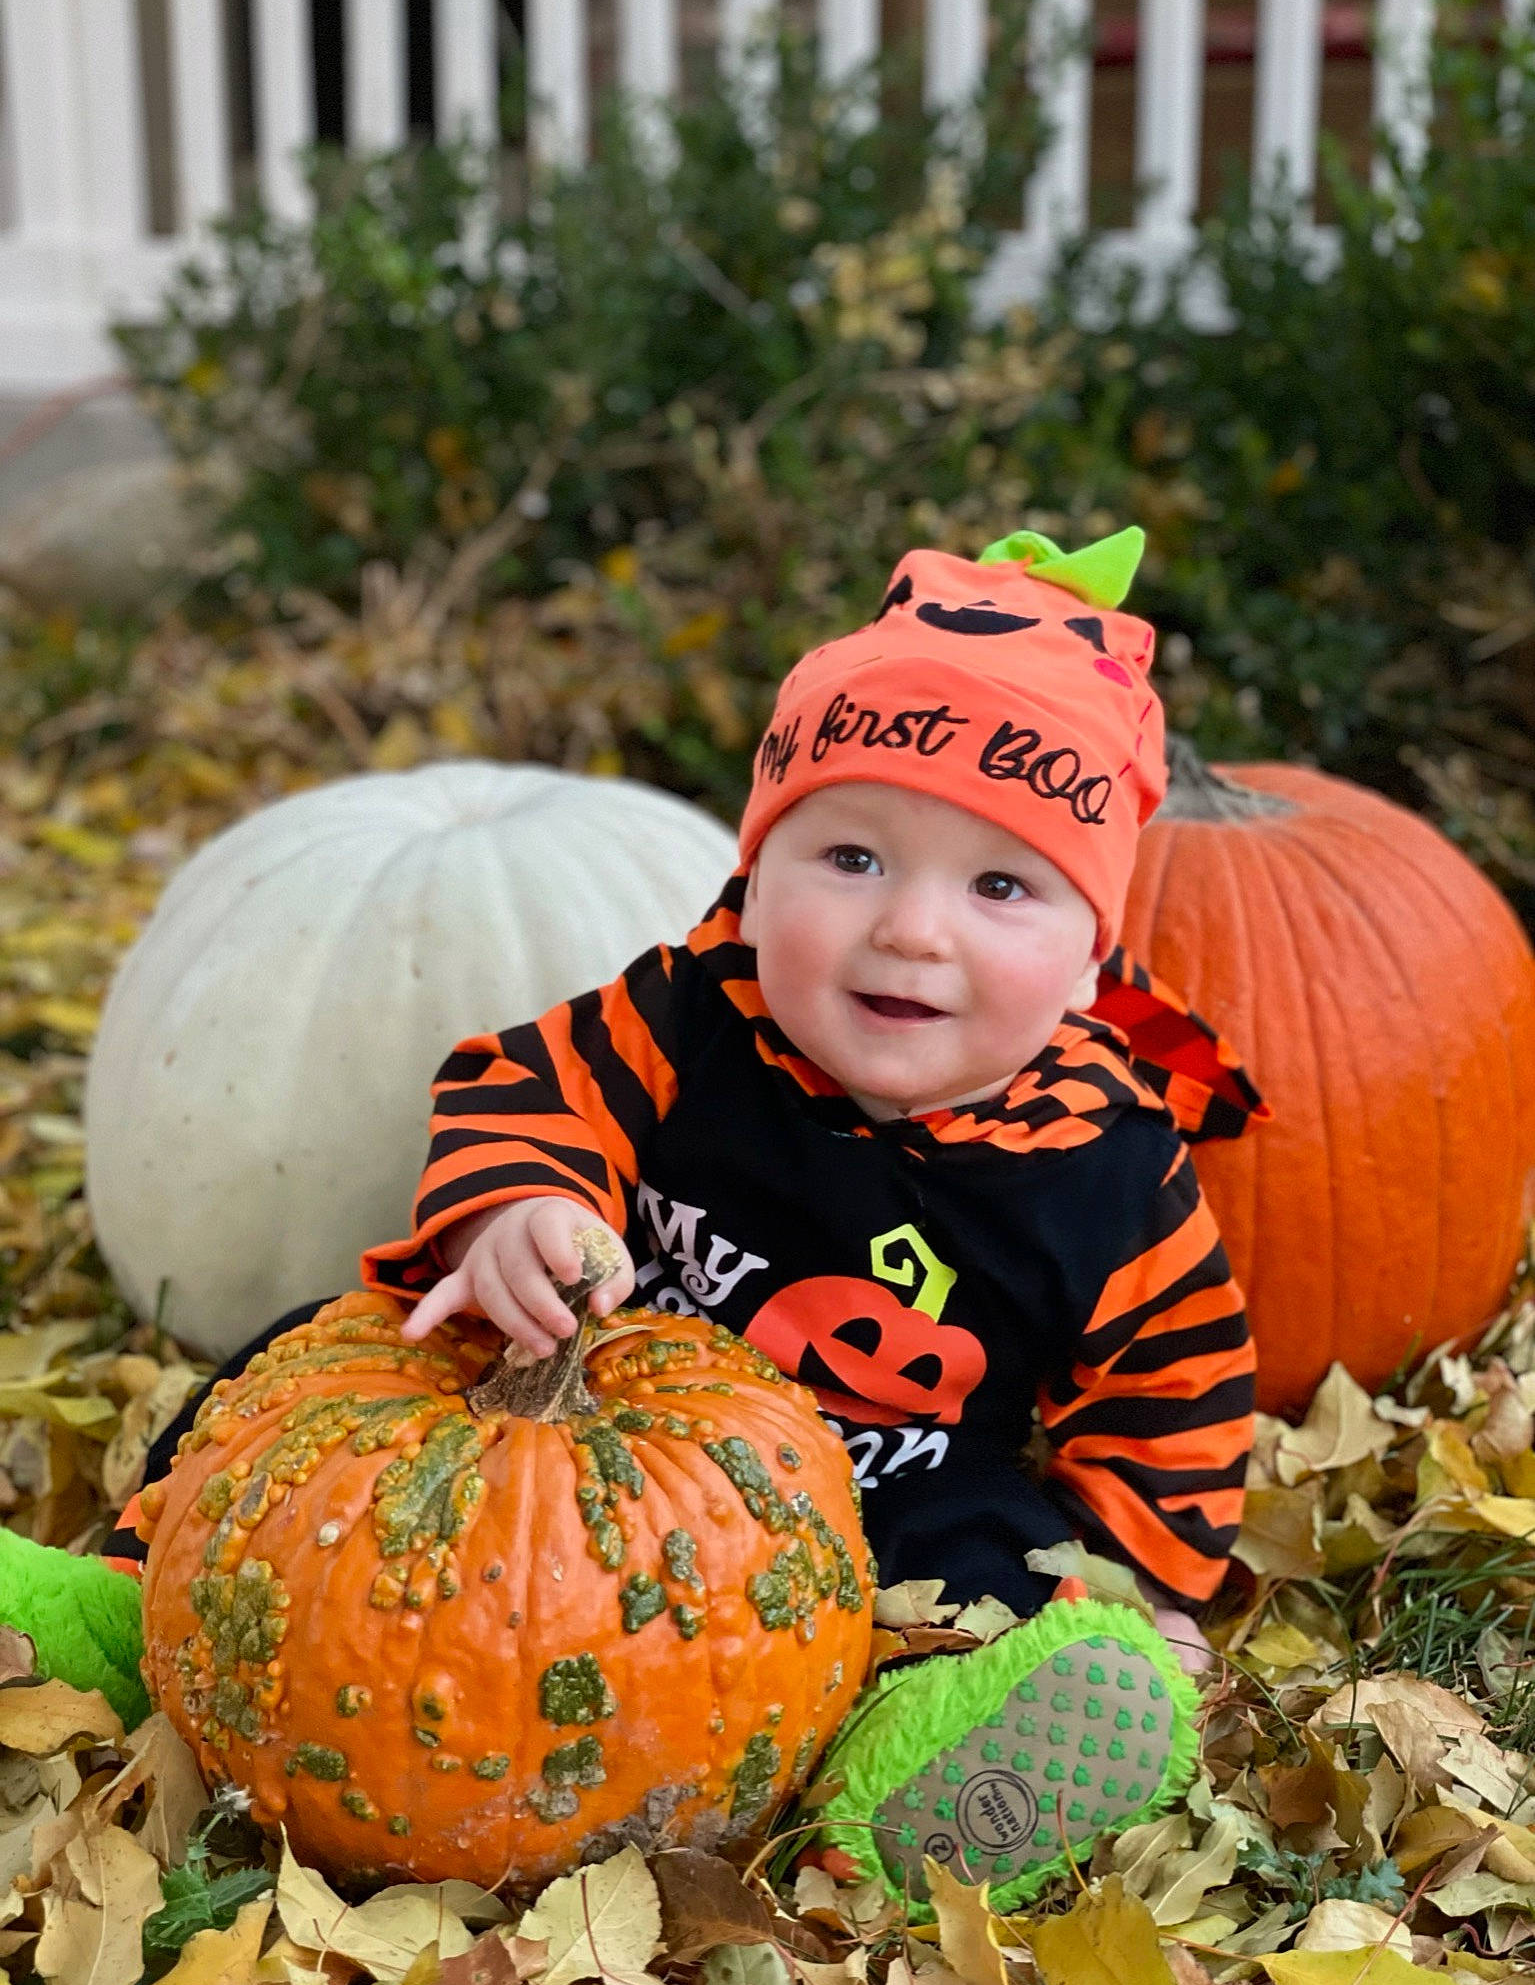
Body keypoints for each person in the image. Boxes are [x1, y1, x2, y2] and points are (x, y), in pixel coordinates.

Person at [86, 522, 1265, 1909]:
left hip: (883, 1486)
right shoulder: (696, 1011)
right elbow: (528, 1083)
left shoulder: (1109, 1167)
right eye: (851, 857)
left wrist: (1138, 1581)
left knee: (998, 1556)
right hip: (578, 1412)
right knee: (303, 1364)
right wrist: (523, 1204)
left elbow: (1173, 1397)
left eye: (999, 886)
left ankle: (920, 1783)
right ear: (754, 875)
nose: (912, 930)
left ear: (1088, 963)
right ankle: (127, 1596)